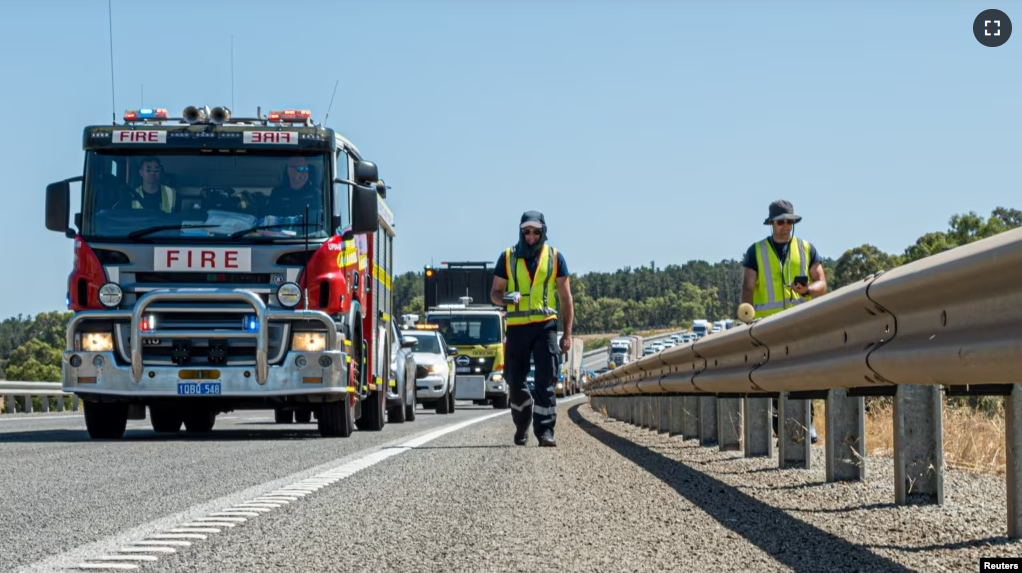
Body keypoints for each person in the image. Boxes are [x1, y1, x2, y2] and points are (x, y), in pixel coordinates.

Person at [740, 199, 827, 444]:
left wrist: (808, 289)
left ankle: (805, 424)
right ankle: (781, 427)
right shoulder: (755, 251)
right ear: (771, 224)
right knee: (776, 376)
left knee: (804, 374)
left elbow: (822, 283)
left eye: (790, 221)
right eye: (781, 222)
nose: (786, 226)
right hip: (769, 327)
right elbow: (748, 286)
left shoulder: (807, 248)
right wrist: (747, 317)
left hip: (800, 324)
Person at [490, 210, 573, 447]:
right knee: (515, 381)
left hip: (545, 326)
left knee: (546, 379)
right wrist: (506, 298)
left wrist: (566, 334)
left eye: (536, 231)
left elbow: (566, 299)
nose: (531, 236)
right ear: (520, 231)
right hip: (516, 328)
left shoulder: (555, 258)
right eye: (526, 231)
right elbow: (494, 294)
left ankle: (545, 431)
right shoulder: (507, 257)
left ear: (543, 232)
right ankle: (522, 423)